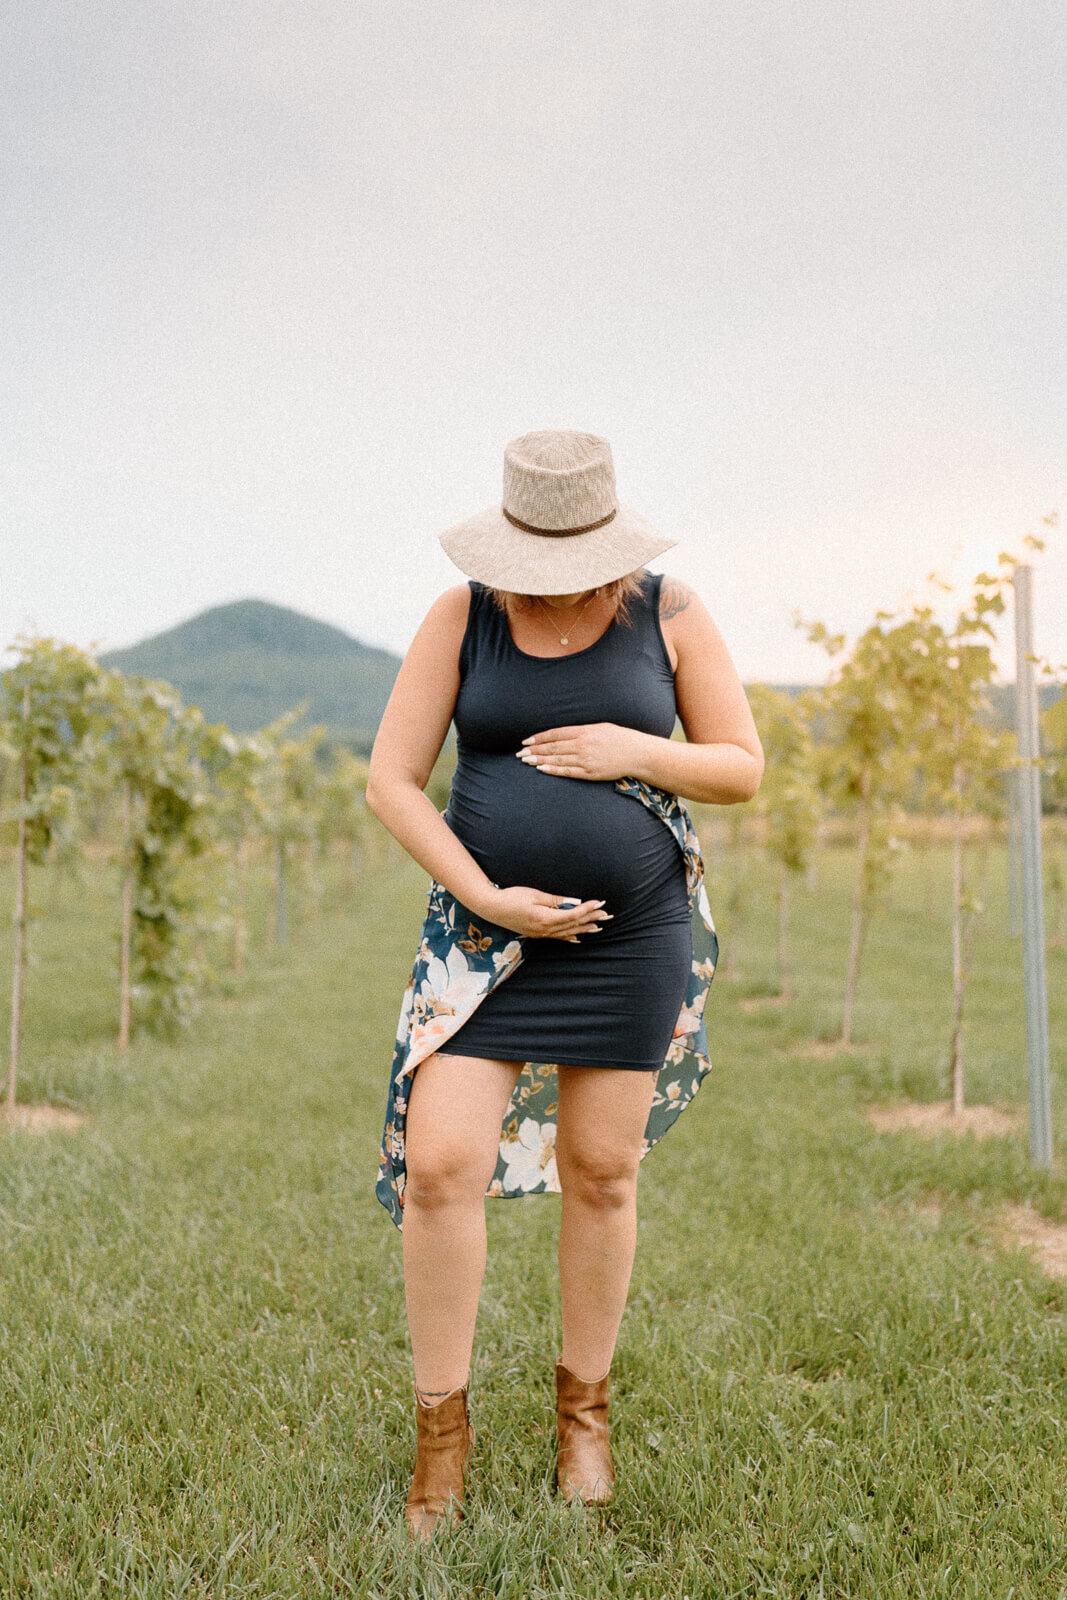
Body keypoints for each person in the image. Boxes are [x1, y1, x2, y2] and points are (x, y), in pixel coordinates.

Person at [366, 429, 763, 1539]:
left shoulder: (668, 611)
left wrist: (631, 750)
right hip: (481, 937)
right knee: (442, 1169)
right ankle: (439, 1438)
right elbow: (391, 781)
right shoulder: (463, 616)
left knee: (600, 1172)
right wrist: (485, 898)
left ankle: (581, 1420)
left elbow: (739, 763)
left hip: (631, 934)